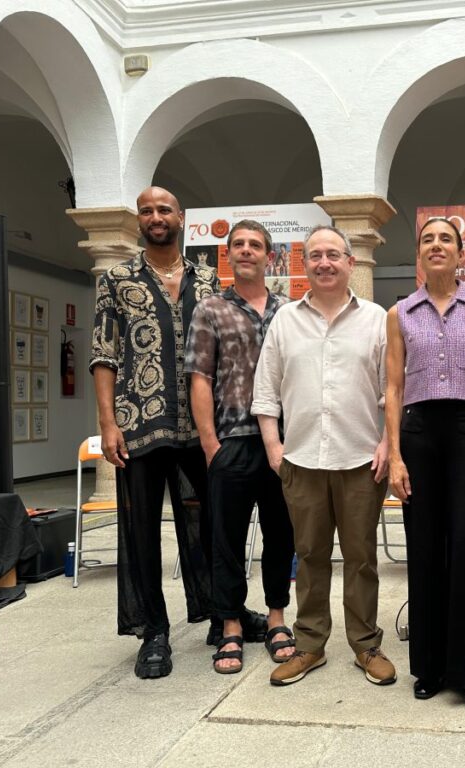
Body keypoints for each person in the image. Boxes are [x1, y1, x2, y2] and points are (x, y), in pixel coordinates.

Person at [91, 186, 254, 679]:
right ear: (138, 220)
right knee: (142, 531)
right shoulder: (117, 280)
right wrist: (107, 423)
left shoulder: (208, 280)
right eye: (147, 210)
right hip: (140, 425)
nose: (156, 217)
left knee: (214, 525)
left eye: (164, 209)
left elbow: (224, 354)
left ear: (180, 217)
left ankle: (222, 613)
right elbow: (103, 353)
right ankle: (154, 632)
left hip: (205, 428)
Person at [252, 224, 395, 688]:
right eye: (315, 255)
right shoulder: (284, 321)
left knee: (361, 557)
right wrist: (274, 447)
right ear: (304, 264)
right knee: (309, 556)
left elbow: (393, 391)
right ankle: (309, 645)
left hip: (360, 459)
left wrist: (388, 443)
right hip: (303, 459)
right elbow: (265, 390)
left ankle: (366, 645)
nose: (325, 263)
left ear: (351, 263)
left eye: (334, 254)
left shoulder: (377, 318)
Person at [384, 217, 465, 711]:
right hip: (417, 434)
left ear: (461, 252)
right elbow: (392, 388)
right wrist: (394, 454)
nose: (437, 246)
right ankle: (430, 665)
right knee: (426, 545)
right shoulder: (400, 313)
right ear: (419, 253)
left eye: (446, 240)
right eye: (428, 240)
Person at [186, 219, 296, 674]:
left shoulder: (290, 311)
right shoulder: (210, 309)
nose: (247, 250)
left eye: (256, 245)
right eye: (239, 245)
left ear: (270, 257)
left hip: (284, 444)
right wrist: (210, 445)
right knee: (226, 541)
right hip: (230, 442)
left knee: (281, 535)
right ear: (228, 256)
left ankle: (275, 618)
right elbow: (199, 377)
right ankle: (230, 625)